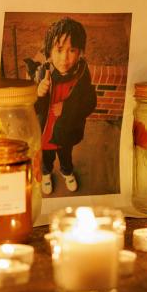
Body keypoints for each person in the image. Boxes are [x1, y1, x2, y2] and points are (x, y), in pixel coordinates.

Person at [34, 17, 97, 195]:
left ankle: (66, 171)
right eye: (59, 50)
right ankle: (46, 174)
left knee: (65, 155)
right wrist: (39, 93)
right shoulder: (41, 73)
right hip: (45, 131)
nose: (65, 58)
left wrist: (67, 108)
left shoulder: (82, 74)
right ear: (49, 51)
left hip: (67, 130)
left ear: (80, 53)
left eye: (72, 50)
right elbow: (31, 107)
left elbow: (90, 103)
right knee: (46, 158)